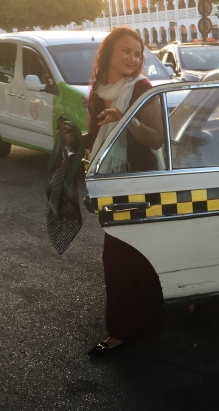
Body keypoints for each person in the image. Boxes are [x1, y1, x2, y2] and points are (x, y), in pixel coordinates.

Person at [64, 27, 166, 357]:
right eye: (126, 51)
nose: (133, 59)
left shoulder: (142, 88)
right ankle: (147, 320)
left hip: (140, 179)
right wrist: (75, 138)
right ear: (109, 52)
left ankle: (123, 331)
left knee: (121, 256)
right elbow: (100, 134)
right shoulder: (99, 91)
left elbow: (156, 138)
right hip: (109, 179)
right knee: (131, 255)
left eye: (138, 54)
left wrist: (127, 120)